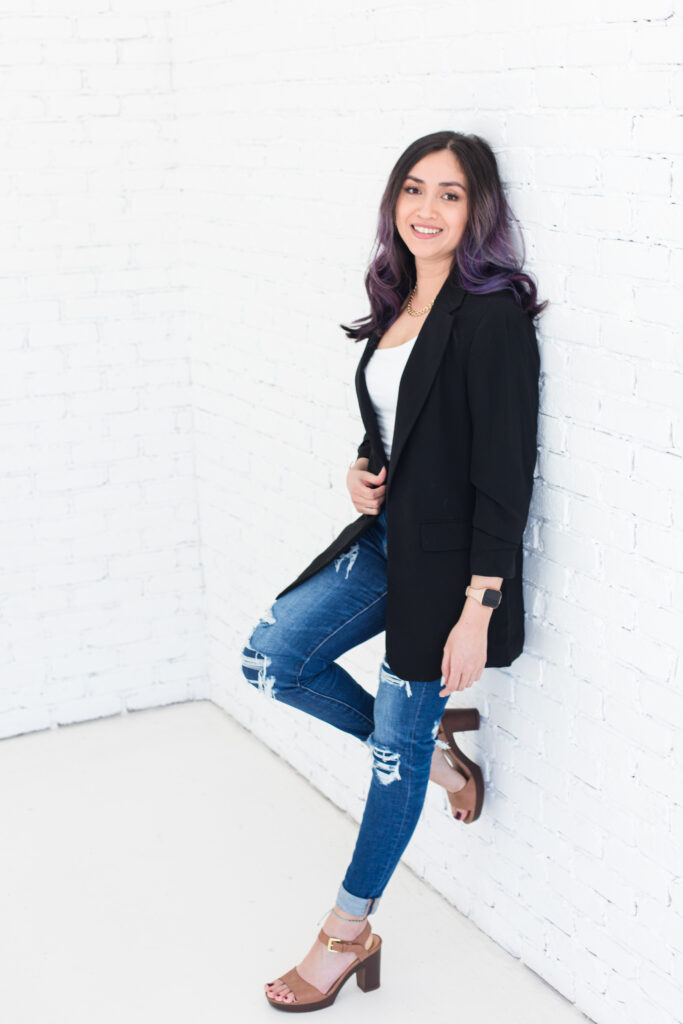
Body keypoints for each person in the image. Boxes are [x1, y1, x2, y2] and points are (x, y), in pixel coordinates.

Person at [241, 129, 546, 1011]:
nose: (426, 208)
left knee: (387, 762)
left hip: (449, 572)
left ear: (477, 209)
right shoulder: (396, 305)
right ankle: (439, 760)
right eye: (414, 189)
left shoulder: (490, 319)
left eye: (449, 194)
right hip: (385, 542)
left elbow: (504, 473)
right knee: (271, 660)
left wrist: (477, 608)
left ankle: (345, 932)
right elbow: (403, 423)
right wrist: (360, 469)